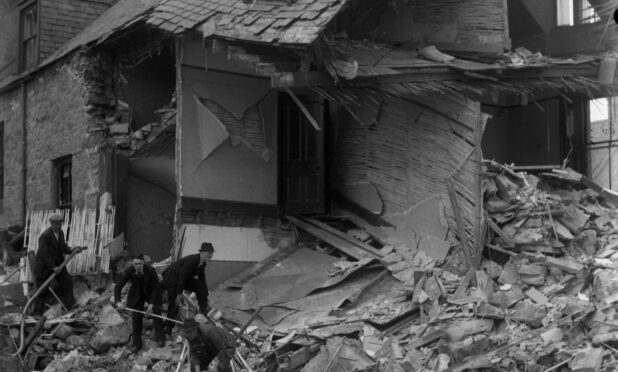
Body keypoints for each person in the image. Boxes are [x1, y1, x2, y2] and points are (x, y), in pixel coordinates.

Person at [33, 214, 85, 315]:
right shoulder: (45, 236)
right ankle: (37, 313)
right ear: (51, 224)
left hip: (57, 266)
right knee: (42, 290)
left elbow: (63, 247)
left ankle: (69, 304)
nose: (58, 226)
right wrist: (53, 267)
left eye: (60, 224)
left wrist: (72, 249)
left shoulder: (60, 233)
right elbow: (44, 255)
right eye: (56, 224)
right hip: (44, 267)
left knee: (68, 281)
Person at [113, 253, 165, 352]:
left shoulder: (151, 270)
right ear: (132, 263)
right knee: (136, 317)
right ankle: (136, 344)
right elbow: (118, 286)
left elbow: (156, 288)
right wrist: (118, 302)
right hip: (136, 294)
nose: (137, 266)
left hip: (150, 293)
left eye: (139, 264)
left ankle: (161, 338)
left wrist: (151, 304)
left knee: (156, 311)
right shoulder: (129, 270)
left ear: (143, 263)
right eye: (135, 264)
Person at [161, 242, 214, 334]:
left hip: (182, 279)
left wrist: (205, 294)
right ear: (202, 252)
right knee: (175, 303)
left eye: (212, 253)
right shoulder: (192, 260)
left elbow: (202, 279)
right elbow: (182, 276)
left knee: (200, 286)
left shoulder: (202, 263)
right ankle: (168, 330)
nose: (211, 255)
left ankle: (203, 310)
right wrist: (179, 294)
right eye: (209, 252)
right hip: (172, 279)